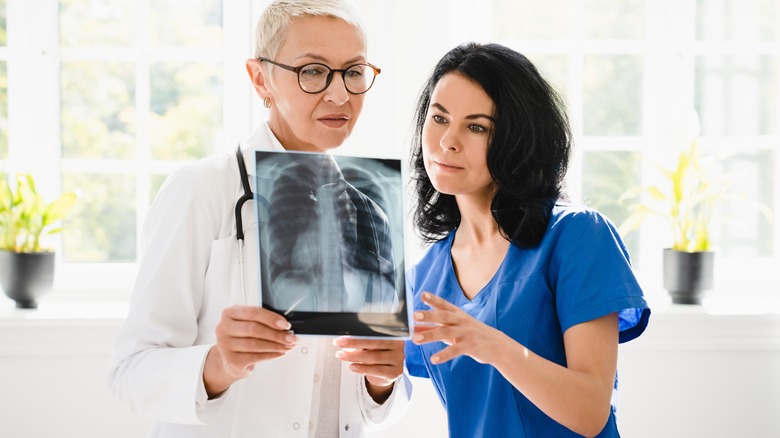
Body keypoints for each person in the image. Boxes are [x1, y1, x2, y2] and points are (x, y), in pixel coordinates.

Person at [108, 1, 410, 437]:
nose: (340, 94)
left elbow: (380, 404)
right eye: (312, 71)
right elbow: (130, 372)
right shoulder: (202, 190)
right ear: (259, 78)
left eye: (354, 71)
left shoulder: (373, 208)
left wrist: (383, 380)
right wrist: (219, 364)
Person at [403, 42, 650, 438]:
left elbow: (591, 412)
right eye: (439, 118)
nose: (447, 140)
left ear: (517, 140)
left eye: (477, 126)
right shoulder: (426, 274)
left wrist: (495, 346)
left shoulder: (577, 236)